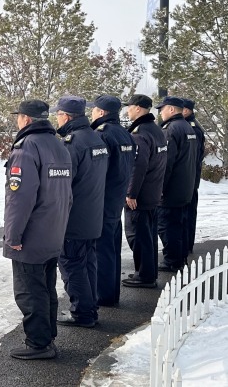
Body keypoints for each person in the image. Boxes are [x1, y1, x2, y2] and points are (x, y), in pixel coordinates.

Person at [4, 100, 73, 360]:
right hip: (53, 229)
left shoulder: (26, 148)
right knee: (46, 287)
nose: (18, 121)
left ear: (26, 119)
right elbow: (67, 194)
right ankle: (47, 336)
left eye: (19, 117)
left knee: (29, 291)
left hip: (31, 234)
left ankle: (39, 343)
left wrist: (13, 236)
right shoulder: (58, 145)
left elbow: (20, 199)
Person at [52, 95, 108, 328]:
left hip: (74, 218)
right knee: (88, 263)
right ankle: (90, 307)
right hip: (92, 213)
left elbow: (64, 184)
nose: (56, 118)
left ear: (66, 116)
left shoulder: (72, 143)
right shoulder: (95, 137)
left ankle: (83, 312)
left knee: (72, 264)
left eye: (58, 114)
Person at [89, 95, 134, 306]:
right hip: (116, 198)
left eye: (94, 109)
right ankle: (111, 292)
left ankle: (104, 295)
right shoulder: (124, 133)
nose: (91, 113)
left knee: (102, 251)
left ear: (101, 112)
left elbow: (98, 171)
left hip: (104, 200)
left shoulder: (102, 135)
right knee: (112, 249)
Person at [121, 94, 167, 288]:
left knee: (138, 236)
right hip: (153, 191)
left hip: (140, 195)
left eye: (130, 107)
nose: (127, 110)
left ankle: (145, 276)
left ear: (138, 108)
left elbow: (138, 166)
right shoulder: (156, 130)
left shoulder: (140, 133)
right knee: (148, 235)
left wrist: (131, 193)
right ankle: (148, 272)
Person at [156, 96, 197, 272]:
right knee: (179, 225)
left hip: (172, 189)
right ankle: (179, 258)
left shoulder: (171, 129)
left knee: (167, 225)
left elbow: (166, 163)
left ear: (171, 109)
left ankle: (172, 260)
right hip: (184, 187)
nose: (160, 113)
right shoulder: (187, 127)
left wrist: (160, 189)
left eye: (162, 109)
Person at [181, 98, 205, 254]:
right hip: (190, 178)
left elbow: (192, 157)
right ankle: (185, 245)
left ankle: (186, 245)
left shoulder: (192, 129)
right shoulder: (191, 126)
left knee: (187, 214)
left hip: (189, 179)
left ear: (186, 110)